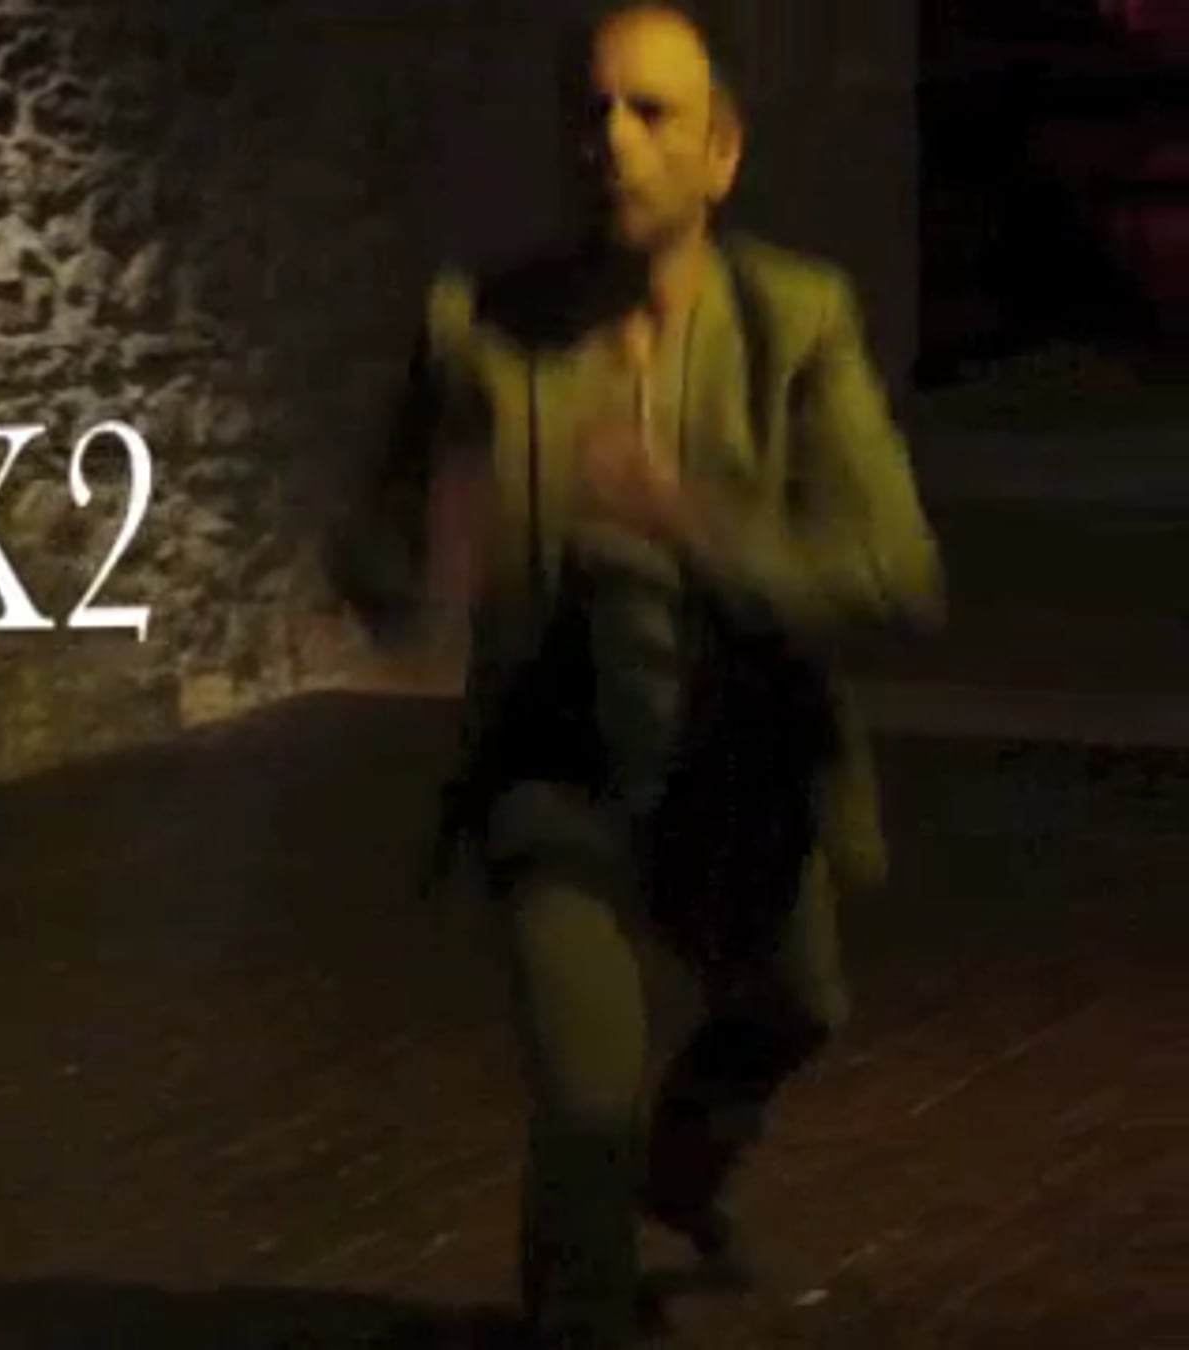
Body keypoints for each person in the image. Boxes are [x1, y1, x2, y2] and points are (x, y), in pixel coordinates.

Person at [325, 4, 944, 1346]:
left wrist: (694, 522)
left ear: (722, 152)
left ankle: (686, 1167)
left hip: (742, 771)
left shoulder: (795, 323)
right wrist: (429, 561)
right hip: (558, 773)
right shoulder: (481, 329)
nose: (612, 140)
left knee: (796, 1006)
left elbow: (897, 573)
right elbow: (374, 548)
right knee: (584, 1098)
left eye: (651, 112)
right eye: (592, 111)